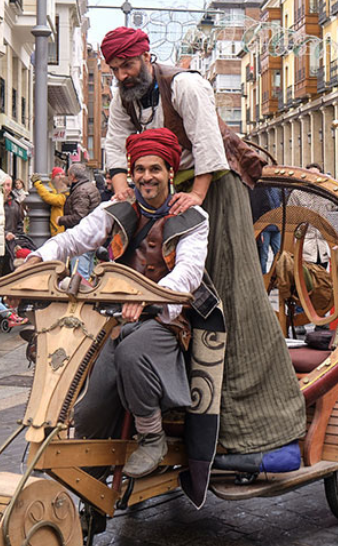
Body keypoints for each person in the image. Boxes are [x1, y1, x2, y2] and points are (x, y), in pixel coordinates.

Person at [101, 27, 305, 455]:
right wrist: (122, 188)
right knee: (164, 285)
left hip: (214, 188)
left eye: (128, 65)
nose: (122, 75)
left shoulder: (186, 86)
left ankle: (247, 420)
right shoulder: (123, 97)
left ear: (146, 56)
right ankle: (165, 395)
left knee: (224, 291)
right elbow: (116, 148)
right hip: (166, 190)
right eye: (115, 68)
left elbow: (210, 146)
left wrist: (195, 196)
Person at [22, 129, 207, 476]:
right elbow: (72, 240)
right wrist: (38, 259)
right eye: (140, 170)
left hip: (164, 319)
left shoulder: (194, 218)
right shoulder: (116, 209)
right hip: (116, 319)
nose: (147, 177)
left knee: (132, 353)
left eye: (155, 169)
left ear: (170, 172)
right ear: (131, 173)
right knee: (89, 402)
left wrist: (145, 295)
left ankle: (152, 437)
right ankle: (91, 469)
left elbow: (188, 272)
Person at [56, 162, 102, 278]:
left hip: (82, 236)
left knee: (80, 275)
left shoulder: (81, 190)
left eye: (68, 175)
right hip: (92, 234)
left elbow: (78, 216)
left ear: (72, 176)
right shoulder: (90, 187)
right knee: (88, 272)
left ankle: (82, 290)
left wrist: (61, 220)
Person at [32, 167, 70, 235]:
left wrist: (37, 183)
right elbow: (53, 192)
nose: (60, 177)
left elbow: (49, 197)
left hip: (60, 231)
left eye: (62, 174)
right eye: (57, 175)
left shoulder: (65, 195)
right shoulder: (60, 191)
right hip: (58, 229)